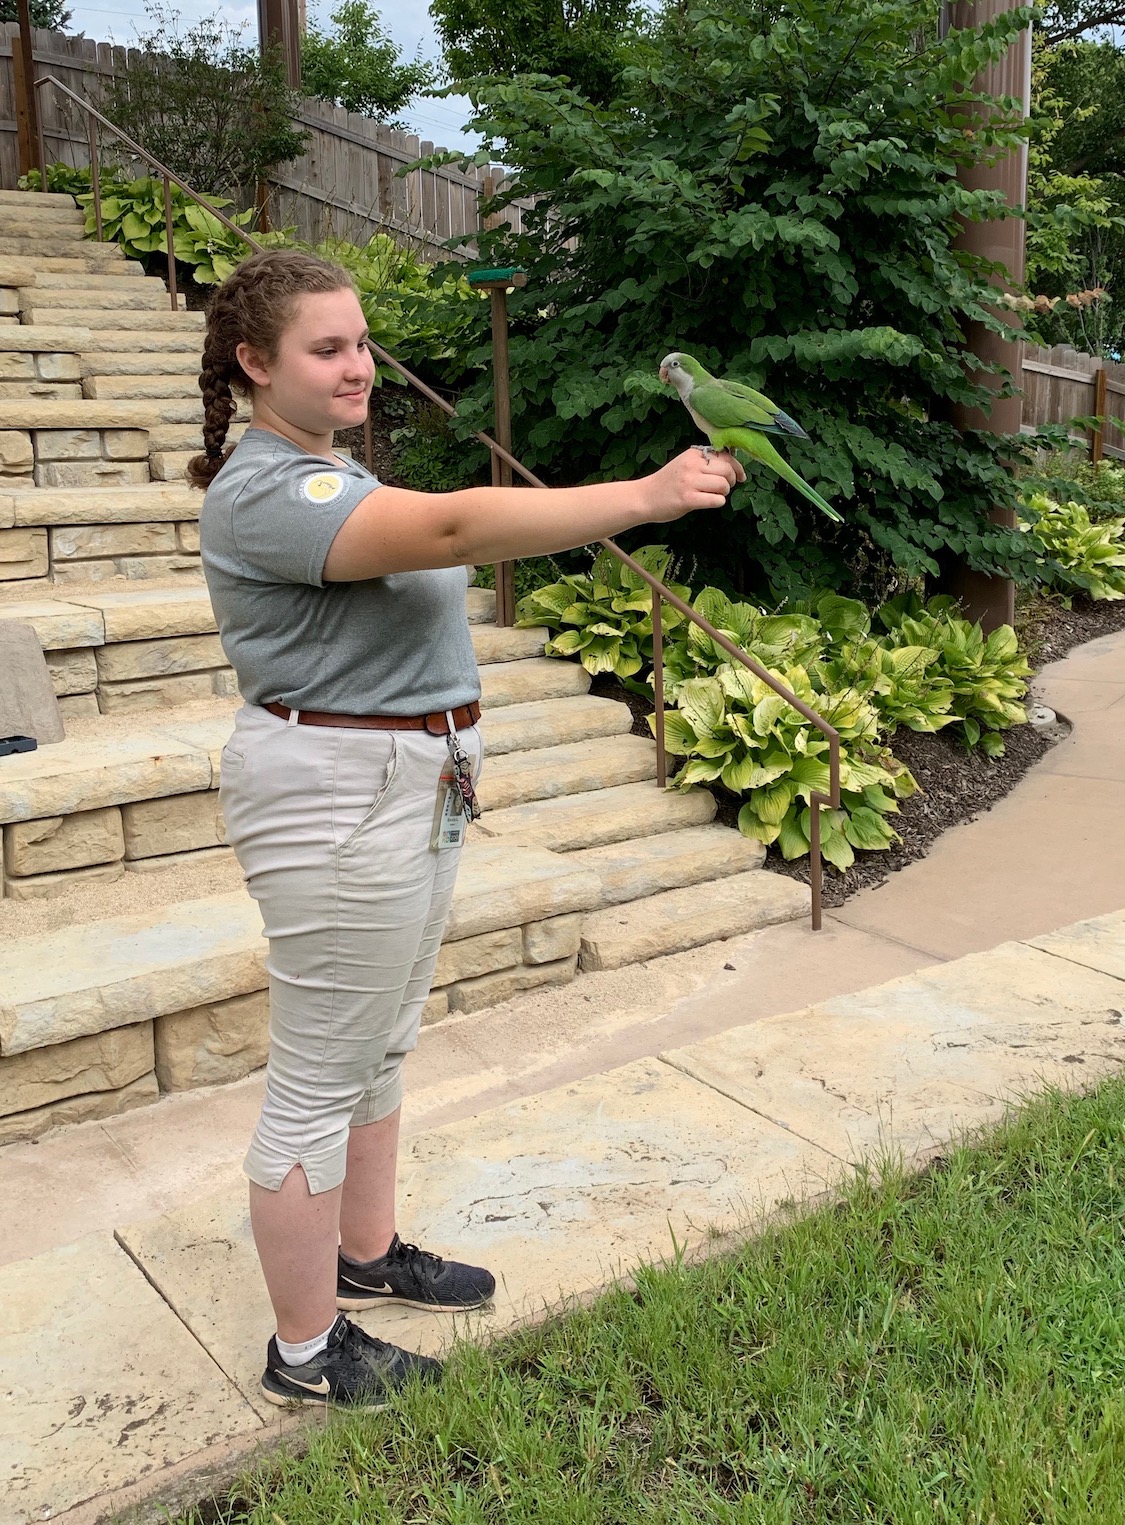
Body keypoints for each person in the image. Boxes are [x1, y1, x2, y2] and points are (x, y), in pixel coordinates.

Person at [191, 248, 743, 1412]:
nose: (358, 367)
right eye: (326, 348)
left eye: (361, 342)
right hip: (337, 793)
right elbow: (449, 533)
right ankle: (303, 1351)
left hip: (404, 780)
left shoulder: (331, 473)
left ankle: (367, 1252)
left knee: (382, 1044)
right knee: (315, 1076)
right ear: (255, 362)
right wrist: (642, 499)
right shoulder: (272, 491)